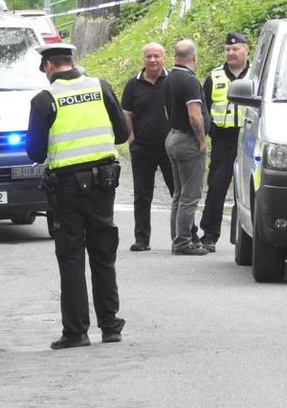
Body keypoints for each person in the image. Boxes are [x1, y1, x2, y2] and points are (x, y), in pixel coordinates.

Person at [25, 44, 129, 349]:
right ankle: (110, 326)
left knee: (71, 258)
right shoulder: (101, 87)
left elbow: (35, 152)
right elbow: (122, 133)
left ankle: (76, 331)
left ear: (48, 66)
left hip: (67, 188)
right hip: (103, 184)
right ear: (73, 61)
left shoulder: (45, 99)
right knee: (103, 255)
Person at [196, 31, 250, 252]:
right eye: (228, 49)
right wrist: (209, 131)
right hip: (223, 140)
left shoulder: (258, 74)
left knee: (249, 189)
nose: (231, 53)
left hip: (249, 139)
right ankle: (209, 235)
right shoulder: (215, 76)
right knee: (217, 187)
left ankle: (247, 235)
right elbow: (202, 108)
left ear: (246, 49)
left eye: (235, 49)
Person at [120, 42, 174, 252]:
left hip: (169, 147)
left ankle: (186, 235)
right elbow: (126, 114)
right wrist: (131, 138)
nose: (152, 60)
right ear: (143, 59)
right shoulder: (133, 85)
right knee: (142, 195)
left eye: (156, 56)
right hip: (141, 148)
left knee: (177, 193)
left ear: (164, 57)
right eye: (148, 56)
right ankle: (142, 239)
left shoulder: (171, 82)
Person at [164, 39, 210, 255]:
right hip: (188, 141)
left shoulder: (169, 78)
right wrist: (201, 139)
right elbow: (195, 115)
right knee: (190, 196)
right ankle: (183, 242)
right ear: (194, 57)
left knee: (179, 194)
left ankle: (177, 239)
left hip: (172, 136)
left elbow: (167, 110)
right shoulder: (189, 81)